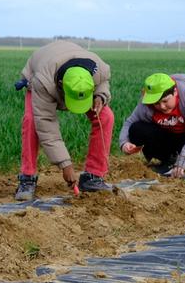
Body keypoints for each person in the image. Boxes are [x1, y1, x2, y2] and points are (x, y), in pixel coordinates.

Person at [15, 40, 114, 201]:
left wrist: (100, 96)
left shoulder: (98, 68)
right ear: (61, 86)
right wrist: (65, 164)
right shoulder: (43, 82)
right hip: (40, 70)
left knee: (105, 116)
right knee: (31, 121)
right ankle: (27, 178)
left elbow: (103, 82)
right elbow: (46, 126)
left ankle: (93, 176)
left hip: (70, 66)